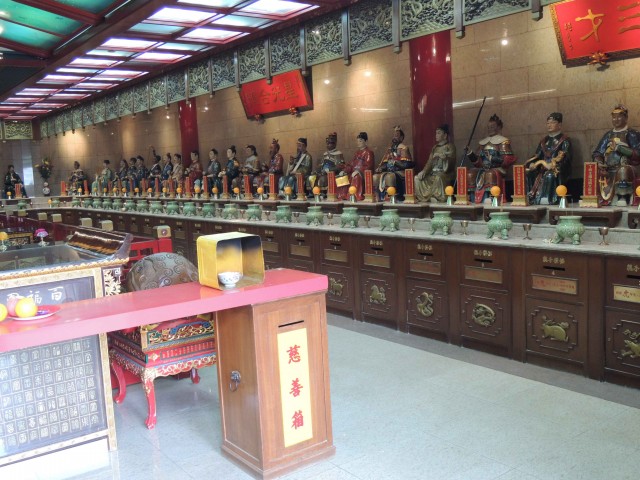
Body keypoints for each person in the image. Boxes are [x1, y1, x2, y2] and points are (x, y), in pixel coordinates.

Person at [592, 104, 640, 206]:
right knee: (593, 169)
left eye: (619, 117)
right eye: (614, 117)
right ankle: (597, 197)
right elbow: (597, 152)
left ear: (626, 118)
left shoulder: (632, 134)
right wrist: (599, 162)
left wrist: (619, 148)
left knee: (623, 170)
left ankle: (622, 196)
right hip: (608, 169)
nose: (616, 120)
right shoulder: (608, 135)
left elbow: (637, 153)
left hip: (626, 167)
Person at [466, 114, 517, 203]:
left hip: (498, 168)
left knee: (490, 174)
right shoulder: (483, 143)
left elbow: (508, 159)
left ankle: (491, 196)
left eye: (492, 127)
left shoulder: (503, 141)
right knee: (471, 173)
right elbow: (478, 162)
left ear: (499, 127)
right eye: (489, 127)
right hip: (483, 168)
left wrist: (493, 159)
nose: (490, 129)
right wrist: (470, 153)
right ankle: (472, 196)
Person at [525, 113, 572, 205]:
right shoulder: (544, 141)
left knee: (549, 175)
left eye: (553, 123)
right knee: (529, 174)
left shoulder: (565, 140)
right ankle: (530, 197)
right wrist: (532, 163)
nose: (549, 125)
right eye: (548, 123)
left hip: (556, 168)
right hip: (542, 167)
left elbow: (566, 157)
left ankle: (547, 198)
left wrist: (554, 164)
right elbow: (537, 155)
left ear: (559, 125)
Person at [414, 125, 456, 203]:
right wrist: (424, 171)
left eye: (439, 133)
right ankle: (424, 198)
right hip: (433, 172)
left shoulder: (450, 146)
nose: (436, 135)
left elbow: (452, 163)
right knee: (417, 178)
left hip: (445, 173)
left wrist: (444, 158)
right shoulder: (435, 148)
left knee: (438, 177)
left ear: (445, 135)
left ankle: (438, 197)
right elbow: (429, 162)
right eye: (436, 133)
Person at [373, 126, 414, 200]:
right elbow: (385, 164)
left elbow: (407, 165)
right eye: (394, 135)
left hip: (399, 172)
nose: (394, 137)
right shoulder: (390, 149)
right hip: (389, 171)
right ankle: (378, 196)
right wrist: (381, 168)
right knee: (375, 177)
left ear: (401, 138)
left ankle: (392, 196)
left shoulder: (404, 148)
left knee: (389, 177)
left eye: (397, 135)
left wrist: (395, 162)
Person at [336, 132, 375, 201]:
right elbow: (351, 164)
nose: (358, 143)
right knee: (342, 177)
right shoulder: (357, 153)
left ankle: (355, 195)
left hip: (362, 174)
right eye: (357, 141)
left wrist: (358, 171)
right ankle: (343, 195)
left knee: (356, 177)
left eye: (360, 141)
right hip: (353, 172)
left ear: (366, 141)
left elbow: (368, 166)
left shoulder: (369, 152)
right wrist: (344, 171)